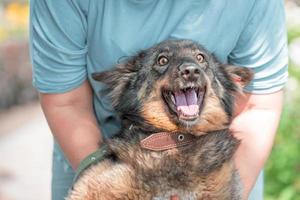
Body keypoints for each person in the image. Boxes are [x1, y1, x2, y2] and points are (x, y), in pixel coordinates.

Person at [29, 0, 288, 199]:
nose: (190, 69)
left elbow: (258, 107)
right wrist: (104, 182)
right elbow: (66, 103)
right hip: (95, 143)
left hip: (232, 161)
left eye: (200, 61)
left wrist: (224, 192)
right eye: (162, 62)